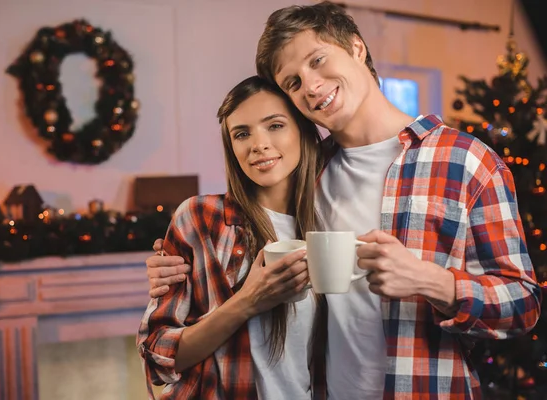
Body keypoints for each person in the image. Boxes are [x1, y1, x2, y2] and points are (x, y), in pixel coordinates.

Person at [145, 2, 542, 399]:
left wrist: (432, 281)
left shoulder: (466, 160)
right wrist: (173, 264)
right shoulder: (306, 172)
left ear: (356, 49)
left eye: (318, 60)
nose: (312, 86)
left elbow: (523, 304)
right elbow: (234, 234)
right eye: (293, 83)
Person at [137, 76, 327, 400]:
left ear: (302, 130)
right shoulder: (201, 218)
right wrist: (247, 302)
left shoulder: (330, 225)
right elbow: (157, 356)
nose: (258, 144)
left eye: (275, 125)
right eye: (242, 133)